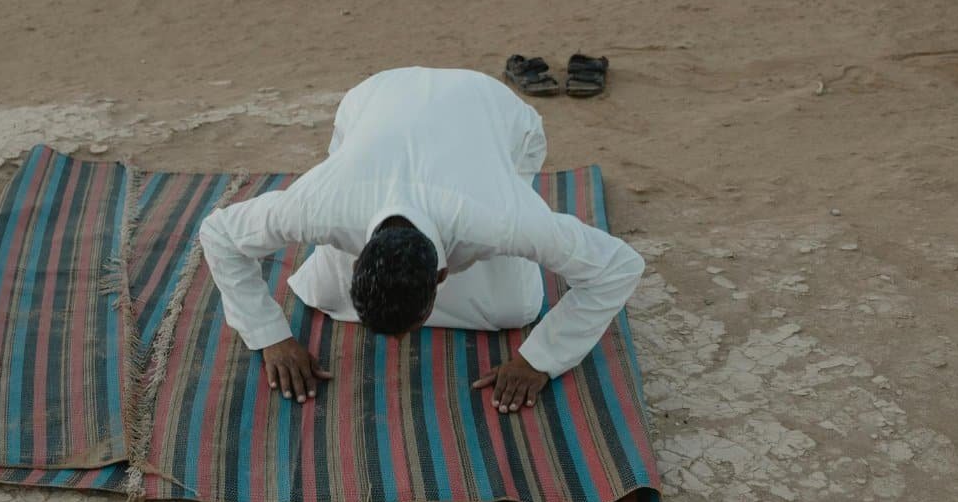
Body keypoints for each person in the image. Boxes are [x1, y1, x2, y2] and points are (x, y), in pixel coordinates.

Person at [199, 67, 645, 414]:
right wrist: (268, 334)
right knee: (323, 293)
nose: (395, 348)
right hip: (377, 96)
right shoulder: (320, 204)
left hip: (491, 109)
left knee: (516, 307)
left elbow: (619, 266)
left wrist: (541, 359)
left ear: (442, 273)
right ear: (357, 258)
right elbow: (218, 233)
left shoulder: (506, 217)